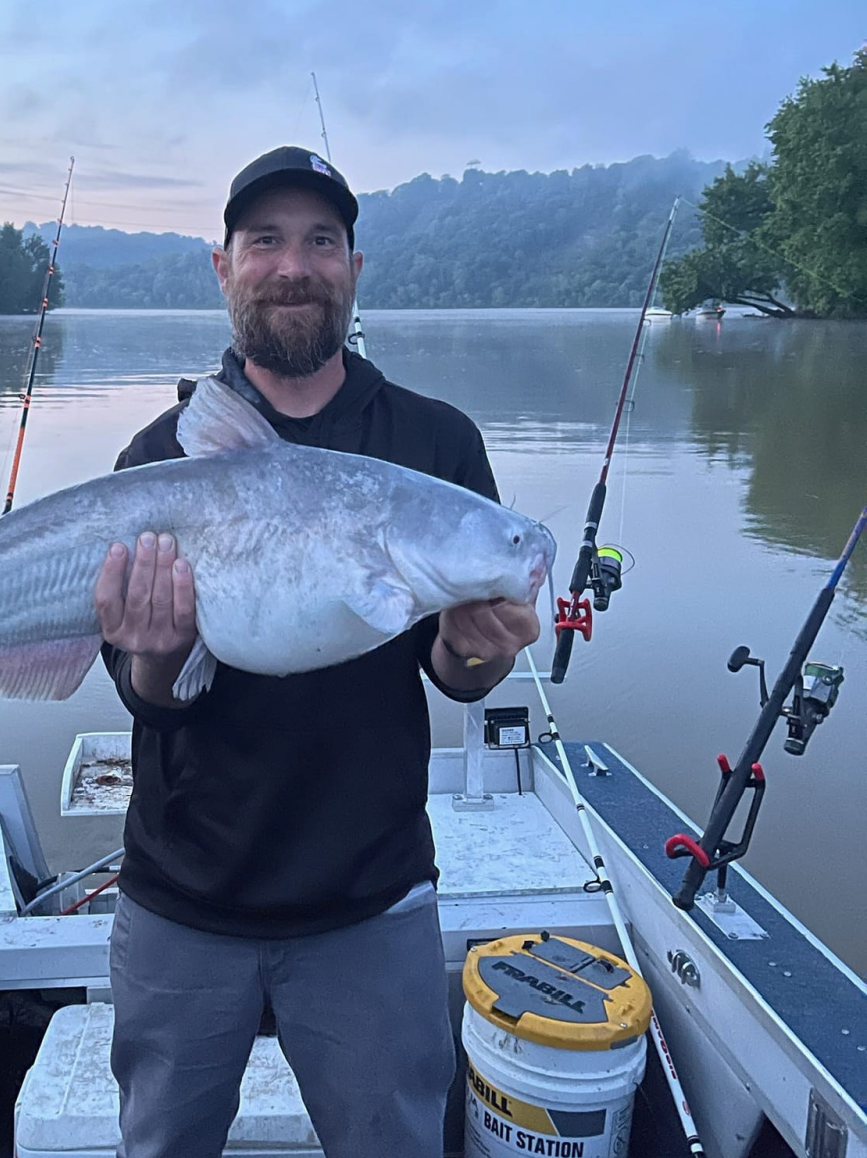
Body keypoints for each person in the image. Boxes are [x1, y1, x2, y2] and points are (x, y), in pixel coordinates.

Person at [92, 145, 540, 1158]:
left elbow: (456, 669)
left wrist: (483, 656)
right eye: (266, 241)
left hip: (371, 903)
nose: (294, 265)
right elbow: (144, 690)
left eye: (321, 242)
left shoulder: (437, 444)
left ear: (354, 268)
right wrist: (159, 656)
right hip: (183, 900)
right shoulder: (161, 458)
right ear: (224, 267)